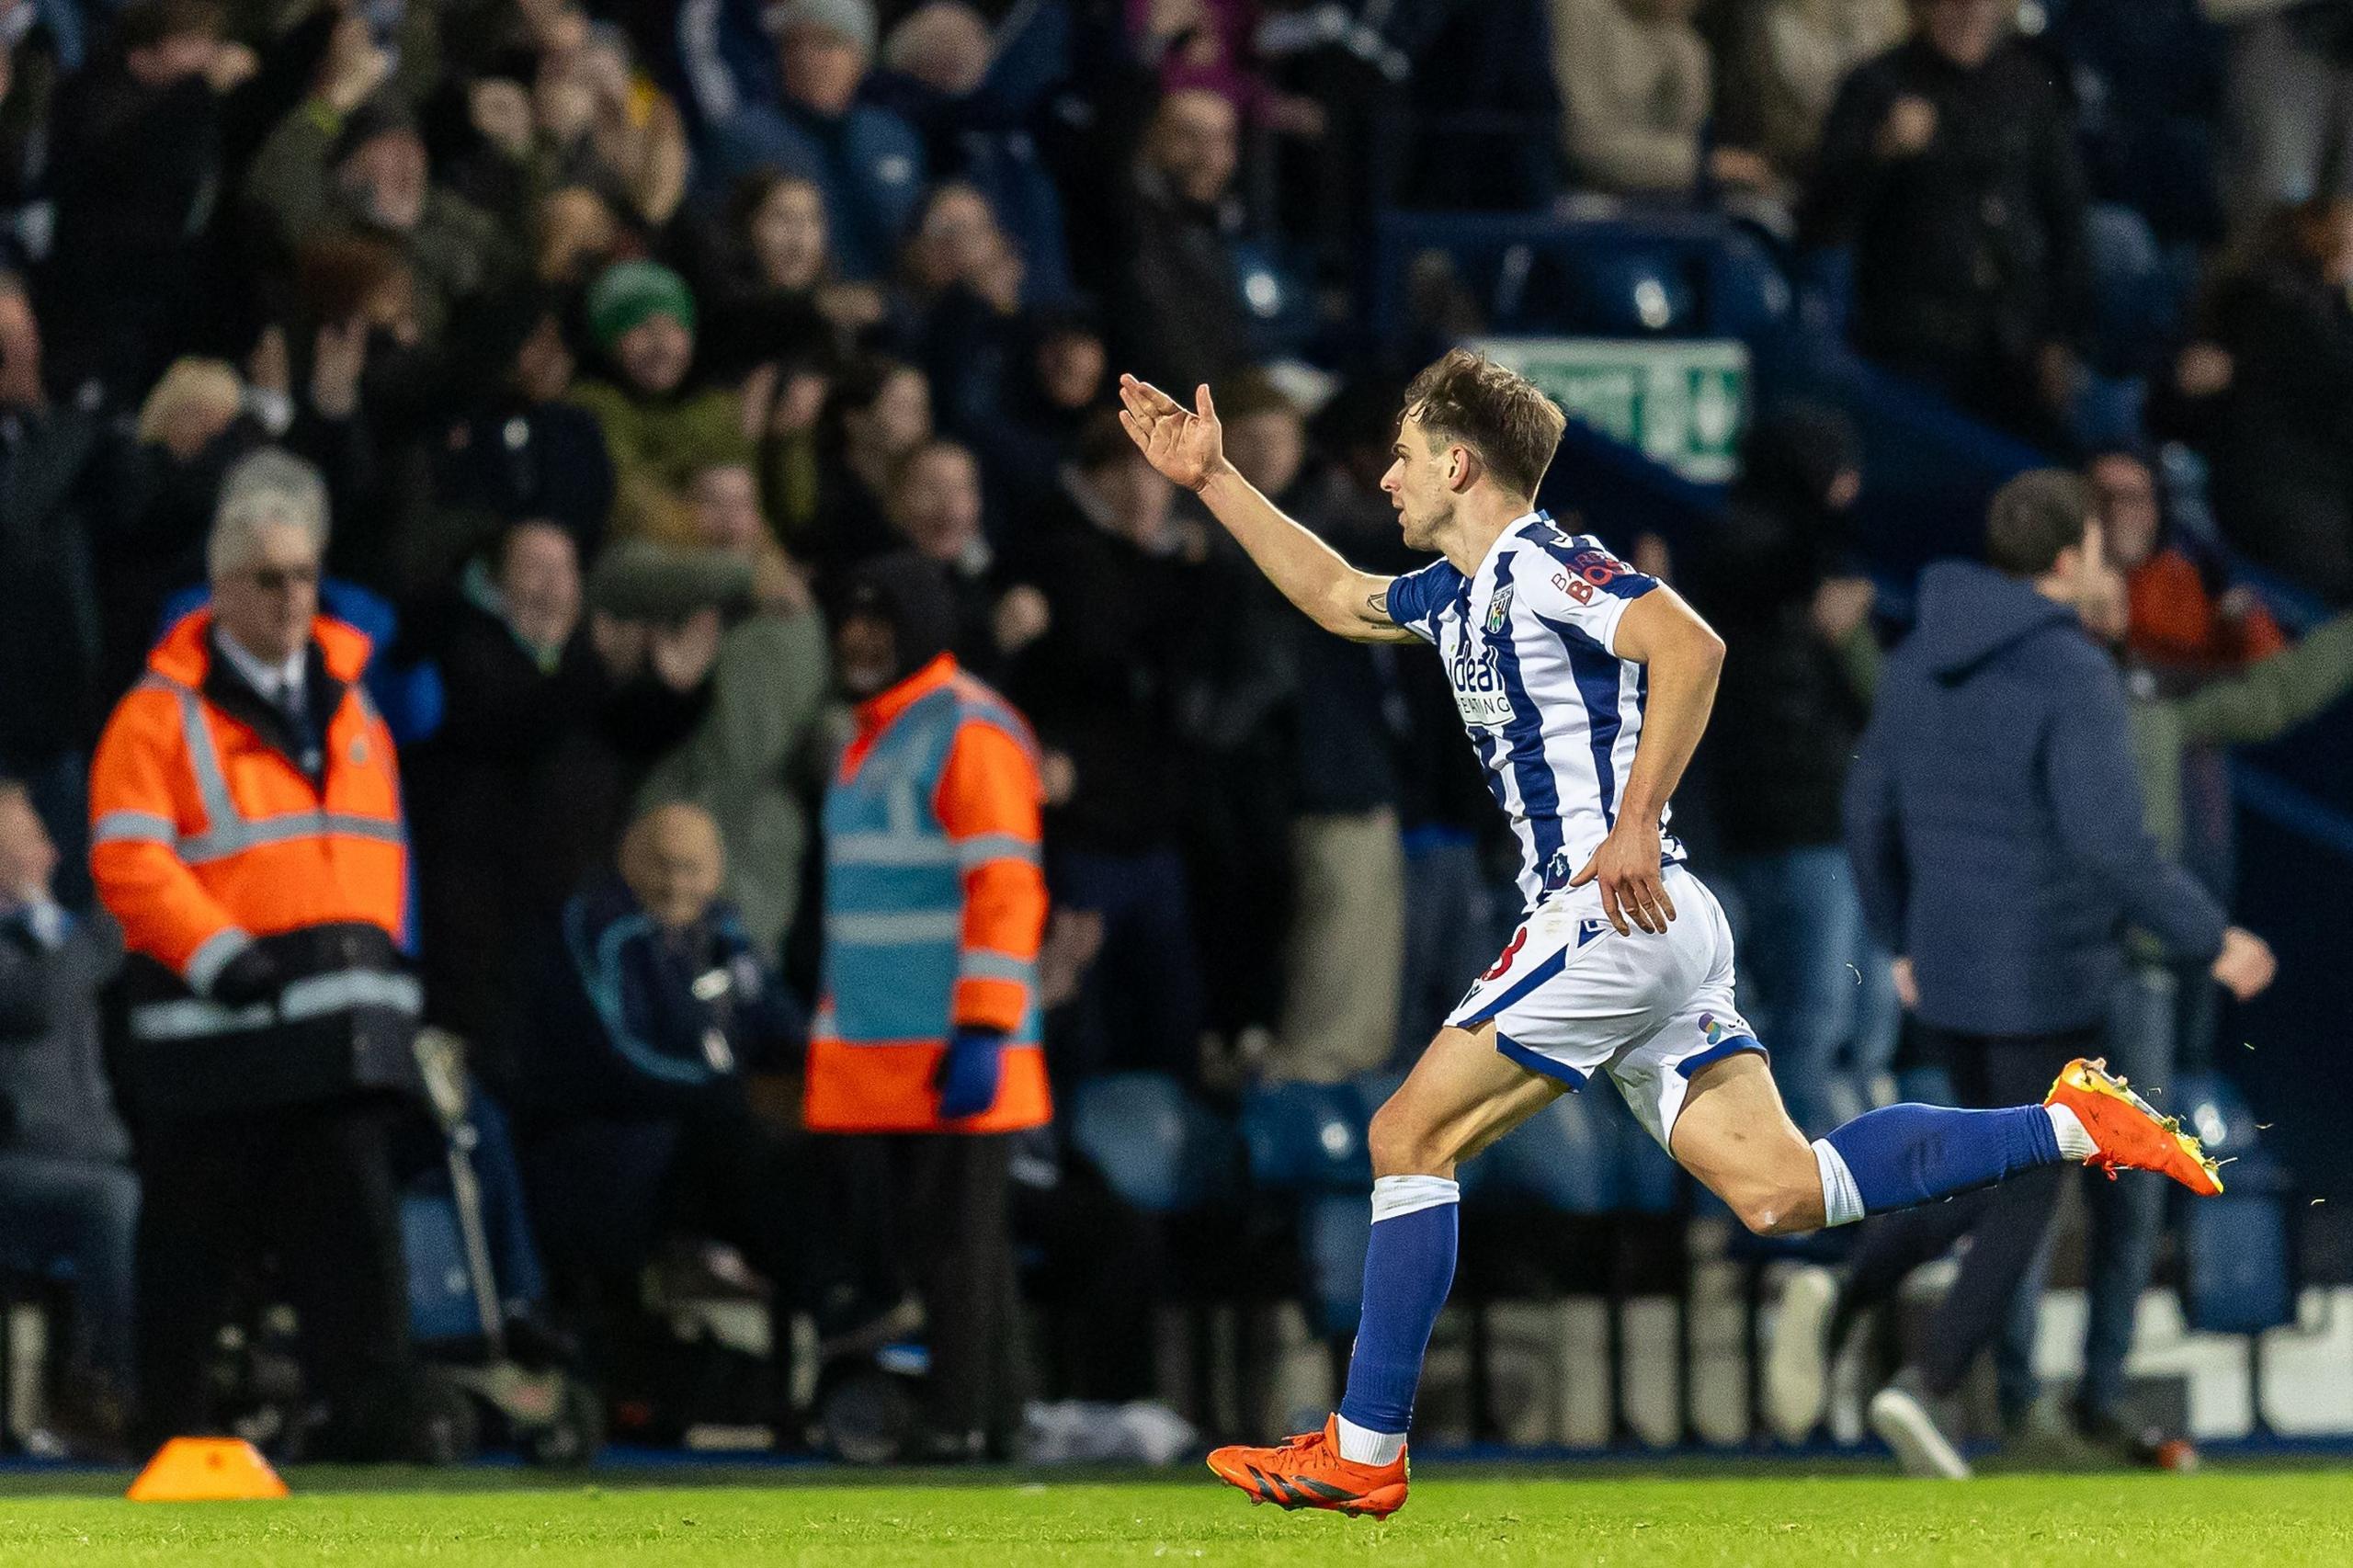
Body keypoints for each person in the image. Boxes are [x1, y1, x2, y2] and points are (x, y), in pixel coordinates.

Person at [1113, 351, 2232, 1518]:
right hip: (1658, 925)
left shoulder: (1544, 562)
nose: (1386, 476)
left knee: (1406, 1132)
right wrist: (1214, 480)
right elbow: (1338, 594)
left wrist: (1636, 819)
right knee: (1784, 1190)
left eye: (1402, 454)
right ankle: (2073, 1122)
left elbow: (1690, 644)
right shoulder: (1457, 591)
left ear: (1459, 464)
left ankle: (1364, 1447)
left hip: (1607, 910)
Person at [1767, 471, 2278, 1478]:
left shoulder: (1919, 655)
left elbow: (1866, 807)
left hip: (1946, 966)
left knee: (1989, 1167)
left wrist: (1899, 940)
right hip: (2044, 965)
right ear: (2071, 556)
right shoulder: (2070, 668)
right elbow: (2110, 842)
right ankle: (1924, 1384)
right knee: (2033, 1174)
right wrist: (2209, 937)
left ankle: (1847, 1290)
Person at [86, 448, 429, 1460]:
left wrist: (390, 978)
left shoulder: (353, 703)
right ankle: (173, 1430)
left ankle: (371, 1434)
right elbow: (129, 858)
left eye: (304, 577)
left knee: (356, 1253)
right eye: (268, 579)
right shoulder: (157, 716)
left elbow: (378, 850)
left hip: (336, 1031)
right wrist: (219, 954)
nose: (291, 600)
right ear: (223, 590)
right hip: (218, 1033)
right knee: (191, 1251)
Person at [804, 551, 1050, 1460]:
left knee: (956, 1246)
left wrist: (984, 1024)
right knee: (957, 1246)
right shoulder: (879, 731)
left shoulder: (964, 729)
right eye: (851, 620)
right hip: (894, 1044)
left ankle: (959, 1422)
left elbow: (1006, 887)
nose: (860, 638)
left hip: (953, 1041)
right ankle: (997, 1418)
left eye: (881, 621)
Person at [514, 802, 815, 1390]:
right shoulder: (602, 929)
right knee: (739, 1138)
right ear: (629, 860)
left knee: (809, 1142)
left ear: (716, 870)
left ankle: (831, 1300)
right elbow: (621, 1058)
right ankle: (813, 1289)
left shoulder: (721, 932)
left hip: (695, 1136)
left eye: (691, 868)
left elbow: (776, 1016)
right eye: (662, 865)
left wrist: (829, 1063)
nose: (676, 883)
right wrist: (723, 1090)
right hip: (604, 1144)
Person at [1684, 404, 1893, 1133]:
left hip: (1831, 823)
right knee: (1809, 1022)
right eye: (1836, 471)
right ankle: (1794, 1187)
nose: (1850, 488)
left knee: (1857, 1025)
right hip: (1791, 826)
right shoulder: (1753, 555)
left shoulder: (1815, 567)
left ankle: (1837, 1185)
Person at [1802, 0, 2091, 439]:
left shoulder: (2028, 86)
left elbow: (2067, 218)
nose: (1969, 11)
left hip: (2014, 343)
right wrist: (1880, 150)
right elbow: (1820, 220)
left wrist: (2060, 337)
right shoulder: (1878, 83)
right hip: (1910, 343)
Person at [0, 779, 138, 1451]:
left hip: (90, 1155)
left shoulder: (54, 936)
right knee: (110, 1202)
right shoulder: (55, 945)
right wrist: (112, 923)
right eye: (31, 838)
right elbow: (38, 1000)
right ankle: (128, 1394)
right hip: (16, 1163)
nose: (52, 855)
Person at [696, 0, 927, 282]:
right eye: (792, 44)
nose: (805, 58)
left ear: (860, 56)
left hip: (891, 303)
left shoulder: (894, 137)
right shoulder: (743, 138)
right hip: (780, 301)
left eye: (825, 43)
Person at [1116, 88, 1249, 396]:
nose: (1208, 157)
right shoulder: (1127, 226)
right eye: (1190, 137)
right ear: (1153, 140)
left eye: (1222, 140)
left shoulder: (1218, 222)